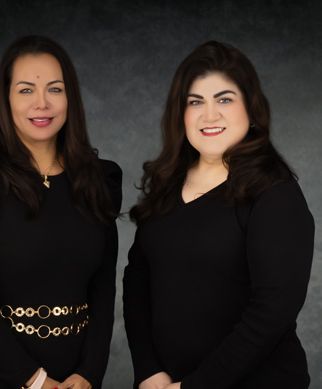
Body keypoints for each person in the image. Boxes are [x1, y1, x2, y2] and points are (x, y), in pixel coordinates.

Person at [124, 41, 314, 389]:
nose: (209, 115)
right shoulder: (168, 184)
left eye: (224, 99)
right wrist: (148, 371)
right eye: (195, 102)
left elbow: (272, 312)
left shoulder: (275, 194)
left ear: (252, 109)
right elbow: (138, 282)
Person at [0, 35, 122, 389]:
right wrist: (34, 380)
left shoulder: (101, 177)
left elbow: (103, 290)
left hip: (78, 380)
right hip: (1, 375)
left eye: (55, 89)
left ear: (70, 98)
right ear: (6, 99)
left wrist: (89, 373)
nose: (42, 103)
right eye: (26, 90)